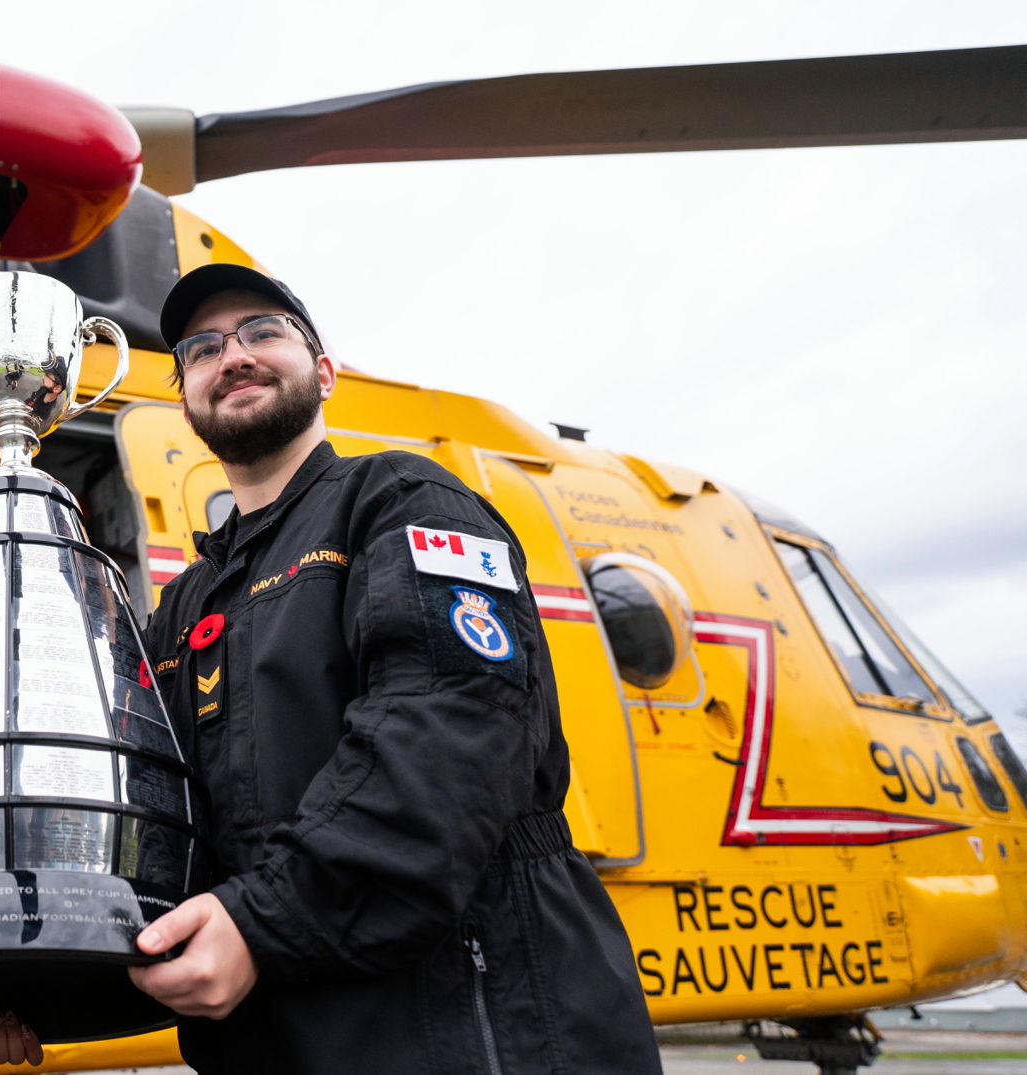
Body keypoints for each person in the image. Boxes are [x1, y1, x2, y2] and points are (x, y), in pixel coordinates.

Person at [124, 265, 662, 1073]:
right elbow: (153, 803)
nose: (232, 355)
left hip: (466, 1022)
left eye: (263, 332)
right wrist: (43, 975)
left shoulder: (405, 501)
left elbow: (448, 728)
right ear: (187, 396)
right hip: (272, 1032)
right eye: (202, 348)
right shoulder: (184, 602)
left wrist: (261, 920)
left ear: (326, 372)